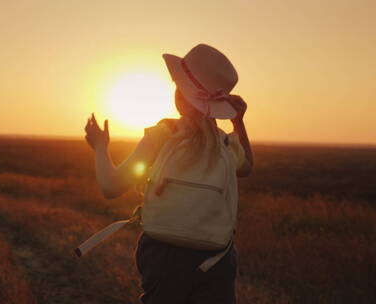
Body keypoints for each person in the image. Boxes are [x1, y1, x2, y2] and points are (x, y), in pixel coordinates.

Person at [84, 44, 253, 304]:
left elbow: (110, 187)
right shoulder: (227, 144)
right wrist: (238, 122)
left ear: (180, 95)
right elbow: (248, 167)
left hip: (163, 255)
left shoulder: (163, 135)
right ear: (219, 103)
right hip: (217, 258)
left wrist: (100, 147)